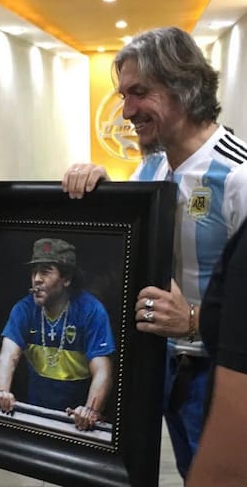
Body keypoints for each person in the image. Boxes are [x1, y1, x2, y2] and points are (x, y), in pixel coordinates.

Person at [62, 27, 247, 478]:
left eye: (139, 93)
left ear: (184, 87)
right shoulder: (151, 166)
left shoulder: (238, 175)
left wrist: (194, 320)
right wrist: (99, 186)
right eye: (123, 95)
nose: (126, 111)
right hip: (166, 367)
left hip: (223, 374)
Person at [0, 238, 115, 431]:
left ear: (66, 279)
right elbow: (8, 356)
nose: (36, 279)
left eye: (45, 271)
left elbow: (103, 371)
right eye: (34, 271)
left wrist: (90, 410)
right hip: (36, 417)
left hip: (76, 424)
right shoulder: (24, 309)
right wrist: (2, 392)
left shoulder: (91, 311)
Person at [185, 218, 247, 485]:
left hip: (207, 365)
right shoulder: (148, 173)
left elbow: (227, 472)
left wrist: (190, 318)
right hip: (168, 361)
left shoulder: (235, 182)